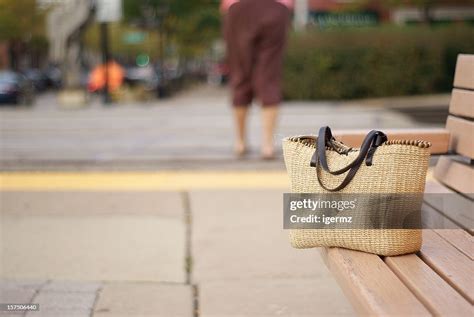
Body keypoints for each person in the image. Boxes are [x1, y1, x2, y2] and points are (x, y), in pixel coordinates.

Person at [221, 0, 293, 159]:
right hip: (275, 7)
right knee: (269, 76)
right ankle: (267, 145)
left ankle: (240, 142)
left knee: (240, 73)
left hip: (239, 7)